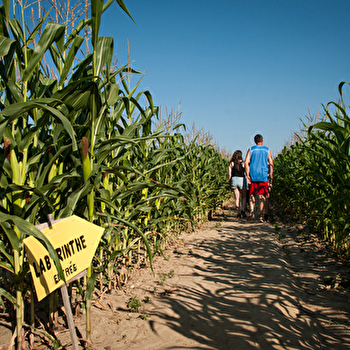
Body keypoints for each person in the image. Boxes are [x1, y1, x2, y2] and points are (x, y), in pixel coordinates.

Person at [244, 134, 273, 222]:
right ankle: (261, 216)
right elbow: (271, 163)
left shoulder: (251, 150)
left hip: (253, 175)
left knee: (252, 194)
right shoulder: (267, 150)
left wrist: (247, 174)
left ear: (255, 141)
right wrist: (271, 175)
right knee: (262, 195)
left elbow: (246, 162)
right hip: (263, 175)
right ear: (262, 140)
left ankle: (252, 214)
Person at [228, 150, 247, 218]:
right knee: (244, 197)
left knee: (237, 198)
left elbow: (229, 175)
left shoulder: (231, 163)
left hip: (234, 179)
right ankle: (243, 211)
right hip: (242, 180)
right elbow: (247, 172)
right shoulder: (243, 163)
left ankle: (238, 213)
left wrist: (230, 183)